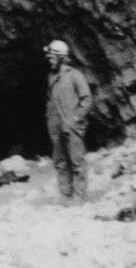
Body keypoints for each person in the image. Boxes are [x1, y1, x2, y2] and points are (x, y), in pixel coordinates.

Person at [45, 40, 92, 202]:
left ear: (61, 57)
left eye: (52, 57)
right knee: (60, 162)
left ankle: (80, 195)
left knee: (77, 160)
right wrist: (50, 120)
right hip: (56, 126)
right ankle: (65, 194)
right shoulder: (51, 77)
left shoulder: (74, 75)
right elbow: (50, 100)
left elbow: (86, 99)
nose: (50, 61)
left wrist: (76, 118)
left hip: (72, 126)